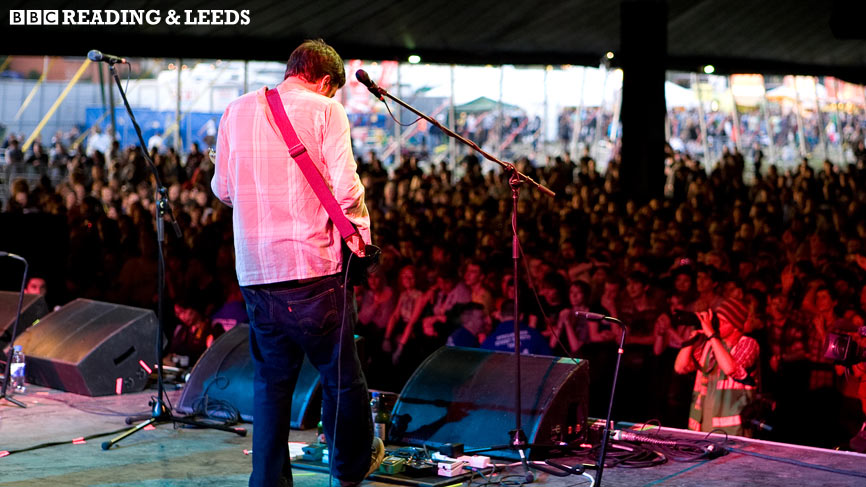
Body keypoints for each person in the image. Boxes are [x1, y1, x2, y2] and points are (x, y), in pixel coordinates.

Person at [211, 39, 383, 487]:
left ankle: (267, 483)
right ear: (326, 81)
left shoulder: (236, 110)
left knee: (271, 386)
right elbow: (346, 188)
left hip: (256, 272)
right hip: (314, 271)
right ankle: (349, 471)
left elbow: (223, 190)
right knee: (341, 378)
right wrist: (361, 240)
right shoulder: (327, 111)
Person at [674, 297, 760, 436]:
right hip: (703, 428)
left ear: (735, 326)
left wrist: (711, 335)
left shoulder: (748, 344)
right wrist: (692, 337)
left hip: (733, 431)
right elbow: (680, 367)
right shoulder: (711, 345)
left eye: (723, 321)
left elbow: (730, 368)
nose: (717, 324)